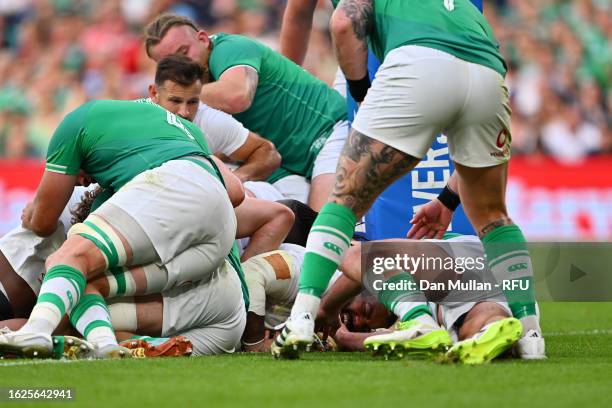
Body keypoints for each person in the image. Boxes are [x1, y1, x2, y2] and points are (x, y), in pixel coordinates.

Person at [274, 0, 544, 360]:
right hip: (487, 68)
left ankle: (302, 319)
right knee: (494, 217)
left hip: (419, 62)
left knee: (345, 199)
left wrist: (360, 92)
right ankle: (532, 337)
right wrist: (447, 201)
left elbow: (343, 21)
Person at [0, 100, 246, 359]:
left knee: (67, 260)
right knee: (87, 282)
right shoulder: (184, 134)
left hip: (185, 199)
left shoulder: (78, 123)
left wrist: (32, 215)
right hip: (220, 251)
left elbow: (42, 223)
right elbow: (235, 191)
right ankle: (106, 345)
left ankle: (37, 330)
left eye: (80, 176)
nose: (84, 181)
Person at [143, 14, 349, 210]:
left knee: (325, 227)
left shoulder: (231, 48)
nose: (180, 65)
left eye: (184, 52)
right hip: (290, 164)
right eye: (168, 63)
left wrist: (171, 95)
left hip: (330, 132)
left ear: (203, 39)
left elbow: (237, 95)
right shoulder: (191, 95)